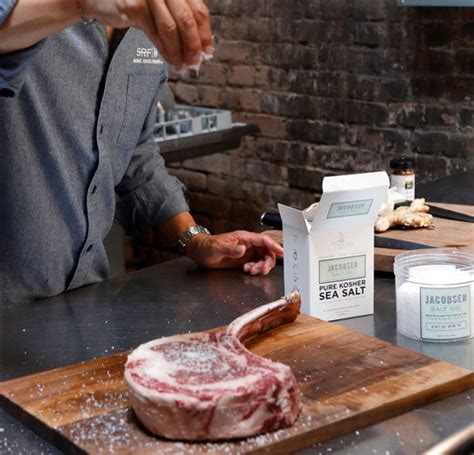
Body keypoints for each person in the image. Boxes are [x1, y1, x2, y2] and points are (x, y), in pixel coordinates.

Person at [0, 0, 283, 305]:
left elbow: (135, 152)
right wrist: (85, 4)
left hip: (82, 298)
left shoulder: (143, 30)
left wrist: (196, 240)